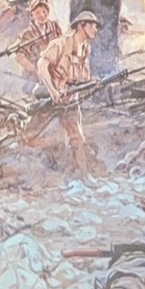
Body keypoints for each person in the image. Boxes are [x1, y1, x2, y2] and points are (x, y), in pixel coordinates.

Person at [29, 10, 100, 173]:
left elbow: (79, 78)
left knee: (77, 138)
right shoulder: (60, 44)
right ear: (81, 26)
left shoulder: (85, 49)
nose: (95, 30)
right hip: (50, 97)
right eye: (92, 25)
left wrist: (92, 83)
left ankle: (82, 175)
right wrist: (53, 91)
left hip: (70, 99)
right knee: (38, 136)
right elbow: (41, 64)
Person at [15, 0, 61, 75]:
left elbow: (62, 46)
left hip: (54, 72)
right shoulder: (28, 34)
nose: (42, 15)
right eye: (37, 13)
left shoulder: (54, 27)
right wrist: (36, 70)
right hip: (34, 75)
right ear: (31, 15)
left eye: (44, 11)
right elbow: (20, 57)